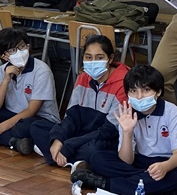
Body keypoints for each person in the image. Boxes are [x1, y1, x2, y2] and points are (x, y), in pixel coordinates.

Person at [81, 65, 177, 195]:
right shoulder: (127, 112)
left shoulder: (171, 111)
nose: (139, 97)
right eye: (133, 91)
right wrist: (127, 132)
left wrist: (165, 167)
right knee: (98, 158)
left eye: (146, 90)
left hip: (166, 161)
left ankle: (106, 184)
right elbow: (126, 161)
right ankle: (165, 189)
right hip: (138, 161)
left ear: (158, 92)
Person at [31, 35, 129, 170]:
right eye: (88, 57)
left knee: (94, 150)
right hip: (80, 135)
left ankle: (58, 156)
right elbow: (72, 116)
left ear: (110, 58)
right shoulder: (83, 78)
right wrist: (58, 139)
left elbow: (109, 130)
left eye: (99, 57)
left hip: (102, 138)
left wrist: (69, 145)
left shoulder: (124, 83)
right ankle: (74, 162)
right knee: (37, 127)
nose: (93, 62)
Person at [0, 27, 60, 155]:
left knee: (24, 128)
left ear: (28, 47)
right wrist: (5, 80)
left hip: (39, 119)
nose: (19, 52)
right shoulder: (2, 70)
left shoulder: (42, 70)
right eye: (12, 50)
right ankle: (14, 142)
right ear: (4, 56)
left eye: (22, 47)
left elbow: (32, 110)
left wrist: (0, 128)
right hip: (12, 114)